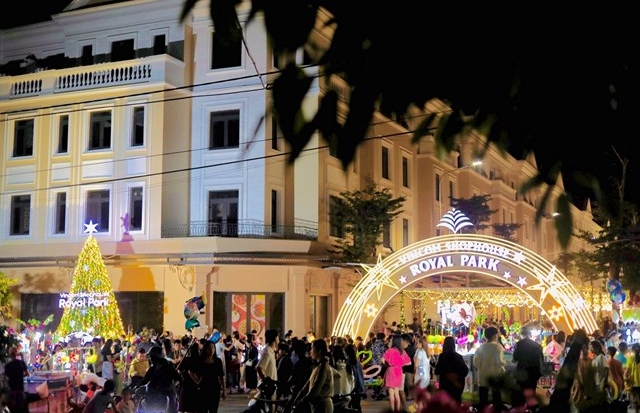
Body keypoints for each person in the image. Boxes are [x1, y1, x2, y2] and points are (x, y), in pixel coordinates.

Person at [294, 339, 336, 413]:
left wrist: (302, 400)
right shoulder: (319, 366)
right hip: (318, 405)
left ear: (319, 351)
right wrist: (298, 398)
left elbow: (316, 387)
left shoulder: (323, 367)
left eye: (312, 348)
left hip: (322, 406)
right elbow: (307, 385)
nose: (310, 351)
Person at [472, 326, 506, 412]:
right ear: (494, 335)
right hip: (495, 374)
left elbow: (476, 362)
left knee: (483, 397)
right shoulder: (498, 347)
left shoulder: (481, 347)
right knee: (496, 397)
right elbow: (501, 361)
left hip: (483, 374)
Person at [511, 326, 544, 409]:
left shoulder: (519, 344)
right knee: (532, 391)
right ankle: (531, 408)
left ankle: (522, 408)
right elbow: (541, 360)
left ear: (521, 334)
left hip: (522, 372)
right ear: (530, 334)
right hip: (534, 372)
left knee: (521, 392)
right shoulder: (537, 345)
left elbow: (515, 358)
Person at [190, 341, 225, 413]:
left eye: (213, 347)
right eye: (209, 347)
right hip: (203, 388)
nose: (211, 349)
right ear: (205, 349)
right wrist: (197, 381)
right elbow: (191, 371)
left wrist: (224, 390)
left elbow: (222, 376)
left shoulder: (218, 361)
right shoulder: (200, 361)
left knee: (213, 410)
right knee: (203, 409)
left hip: (215, 388)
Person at [434, 336, 469, 405]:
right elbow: (465, 370)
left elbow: (437, 371)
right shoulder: (458, 356)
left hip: (445, 387)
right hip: (456, 387)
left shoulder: (442, 356)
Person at [382, 334, 412, 412]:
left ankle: (392, 410)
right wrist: (400, 363)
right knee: (397, 393)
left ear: (394, 341)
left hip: (391, 370)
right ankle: (398, 410)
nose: (390, 341)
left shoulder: (389, 350)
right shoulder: (402, 351)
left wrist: (389, 363)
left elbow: (382, 360)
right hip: (399, 371)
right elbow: (409, 362)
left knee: (391, 394)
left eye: (391, 340)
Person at [3, 346, 30, 413]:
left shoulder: (7, 365)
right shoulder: (22, 363)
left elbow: (6, 379)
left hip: (12, 390)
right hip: (20, 390)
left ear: (9, 354)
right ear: (17, 353)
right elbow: (28, 374)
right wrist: (20, 376)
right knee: (21, 408)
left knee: (13, 409)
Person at [177, 341, 201, 413]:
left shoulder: (186, 359)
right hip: (194, 385)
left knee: (186, 406)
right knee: (193, 407)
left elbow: (179, 371)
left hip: (186, 384)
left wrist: (183, 376)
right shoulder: (199, 360)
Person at [344, 343, 365, 413]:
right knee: (357, 406)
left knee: (353, 406)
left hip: (353, 388)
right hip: (359, 387)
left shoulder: (349, 363)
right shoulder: (357, 362)